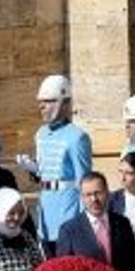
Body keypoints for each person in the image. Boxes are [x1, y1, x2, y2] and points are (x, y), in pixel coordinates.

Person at [22, 75, 93, 251]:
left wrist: (83, 221)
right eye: (41, 102)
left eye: (49, 101)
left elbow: (84, 181)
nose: (42, 106)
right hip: (46, 209)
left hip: (67, 210)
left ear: (65, 103)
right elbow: (43, 172)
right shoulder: (41, 134)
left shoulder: (77, 137)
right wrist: (32, 168)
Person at [56, 171, 135, 271]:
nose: (94, 199)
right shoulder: (69, 230)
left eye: (98, 193)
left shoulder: (123, 223)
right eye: (88, 195)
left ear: (107, 193)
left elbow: (134, 259)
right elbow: (64, 270)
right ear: (81, 197)